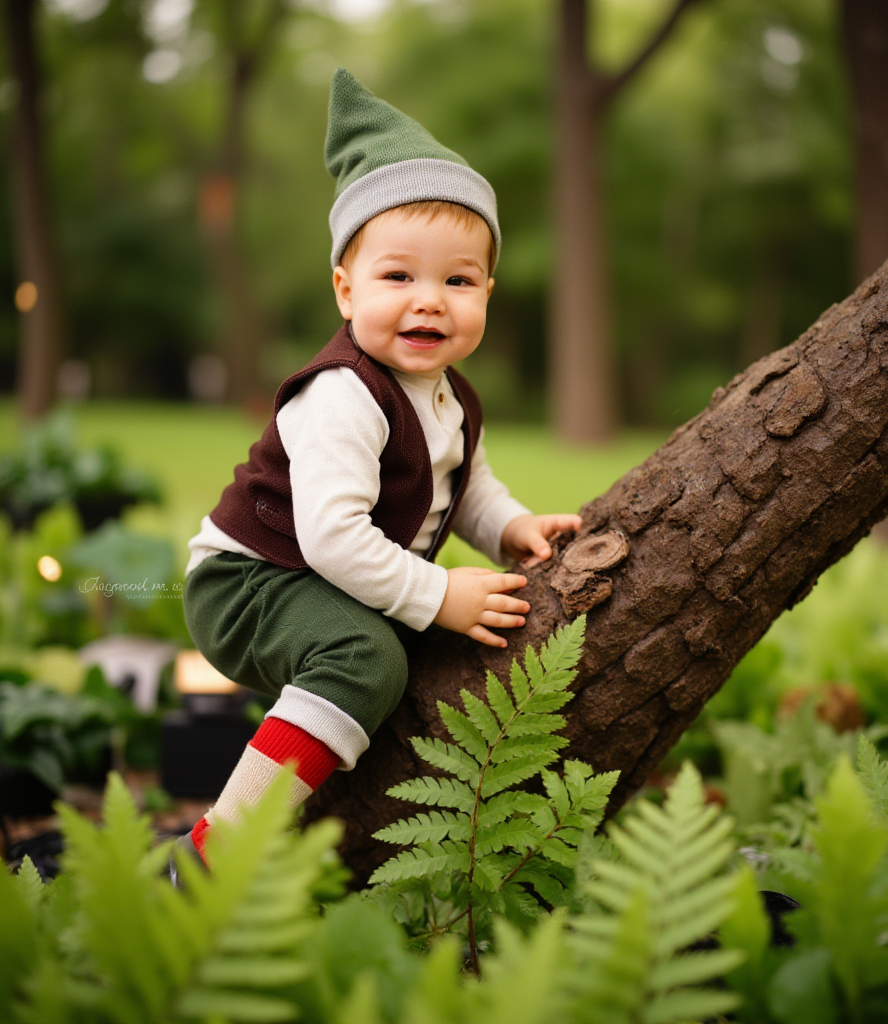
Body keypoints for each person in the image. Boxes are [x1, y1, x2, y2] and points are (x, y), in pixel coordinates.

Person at [171, 68, 581, 878]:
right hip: (252, 578)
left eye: (458, 281)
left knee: (389, 656)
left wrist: (509, 526)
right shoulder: (342, 397)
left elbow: (465, 488)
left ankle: (310, 800)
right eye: (399, 277)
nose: (429, 301)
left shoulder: (450, 396)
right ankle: (217, 854)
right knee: (367, 657)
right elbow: (329, 536)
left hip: (318, 574)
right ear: (344, 287)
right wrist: (438, 596)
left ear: (488, 293)